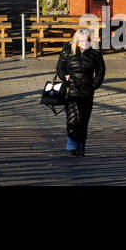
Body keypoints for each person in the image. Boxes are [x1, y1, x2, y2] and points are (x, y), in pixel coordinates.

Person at [54, 27, 105, 156]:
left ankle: (81, 146)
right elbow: (60, 67)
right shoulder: (68, 51)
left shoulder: (95, 53)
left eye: (87, 40)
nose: (84, 43)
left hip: (87, 90)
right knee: (72, 119)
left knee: (83, 119)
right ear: (76, 41)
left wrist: (95, 84)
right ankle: (72, 145)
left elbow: (101, 70)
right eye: (81, 41)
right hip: (71, 89)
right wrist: (65, 76)